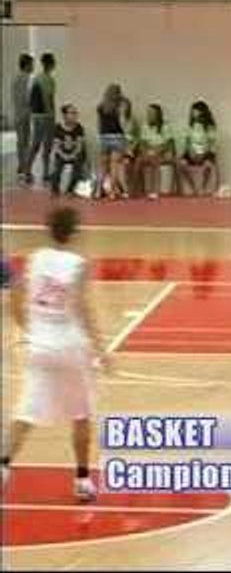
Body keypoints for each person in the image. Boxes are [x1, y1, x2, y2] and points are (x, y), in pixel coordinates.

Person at [1, 206, 111, 501]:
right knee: (81, 414)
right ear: (74, 231)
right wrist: (102, 349)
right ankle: (82, 481)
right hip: (70, 347)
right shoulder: (77, 263)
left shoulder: (35, 260)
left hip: (39, 346)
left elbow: (15, 294)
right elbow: (83, 309)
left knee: (26, 410)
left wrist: (27, 329)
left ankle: (3, 465)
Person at [26, 52, 57, 186]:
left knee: (36, 142)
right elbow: (47, 98)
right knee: (47, 144)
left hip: (36, 115)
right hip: (46, 115)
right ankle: (45, 173)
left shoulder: (36, 78)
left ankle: (27, 170)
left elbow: (30, 98)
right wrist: (51, 114)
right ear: (51, 64)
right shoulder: (49, 79)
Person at [178, 100, 219, 196]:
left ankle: (203, 187)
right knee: (181, 164)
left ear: (202, 112)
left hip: (206, 152)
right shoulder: (190, 126)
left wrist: (201, 153)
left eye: (195, 111)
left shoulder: (210, 127)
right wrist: (190, 152)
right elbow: (187, 142)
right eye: (192, 111)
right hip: (192, 152)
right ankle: (193, 187)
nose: (193, 113)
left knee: (207, 164)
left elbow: (210, 143)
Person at [96, 84, 128, 200]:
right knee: (114, 165)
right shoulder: (120, 105)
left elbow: (99, 124)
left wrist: (100, 135)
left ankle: (98, 191)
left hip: (104, 136)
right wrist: (125, 137)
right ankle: (112, 192)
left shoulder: (100, 106)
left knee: (102, 166)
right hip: (117, 136)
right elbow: (122, 121)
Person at [139, 104, 177, 200]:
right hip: (149, 152)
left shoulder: (165, 126)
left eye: (151, 113)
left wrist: (158, 150)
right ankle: (134, 190)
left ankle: (155, 190)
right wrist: (147, 151)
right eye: (148, 113)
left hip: (162, 153)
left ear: (157, 115)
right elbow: (143, 143)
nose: (149, 115)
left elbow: (169, 144)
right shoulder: (144, 126)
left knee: (156, 161)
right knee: (137, 161)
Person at [50, 105, 88, 198]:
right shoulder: (58, 128)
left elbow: (79, 146)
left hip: (75, 154)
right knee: (56, 170)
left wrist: (72, 155)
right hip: (62, 153)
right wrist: (64, 155)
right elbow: (56, 146)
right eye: (72, 113)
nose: (75, 115)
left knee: (77, 168)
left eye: (75, 113)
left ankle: (70, 190)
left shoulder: (79, 128)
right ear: (65, 115)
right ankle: (55, 190)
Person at [12, 53, 34, 186]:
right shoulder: (28, 79)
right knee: (25, 142)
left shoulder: (15, 79)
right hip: (25, 114)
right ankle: (25, 169)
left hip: (17, 113)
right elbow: (28, 98)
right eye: (31, 64)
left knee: (20, 142)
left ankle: (21, 167)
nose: (33, 67)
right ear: (26, 65)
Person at [119, 96, 141, 196]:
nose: (123, 108)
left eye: (125, 106)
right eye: (121, 106)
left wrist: (131, 148)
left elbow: (137, 137)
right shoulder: (114, 120)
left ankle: (127, 189)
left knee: (125, 162)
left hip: (130, 148)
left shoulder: (133, 120)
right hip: (118, 148)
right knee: (116, 162)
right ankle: (123, 189)